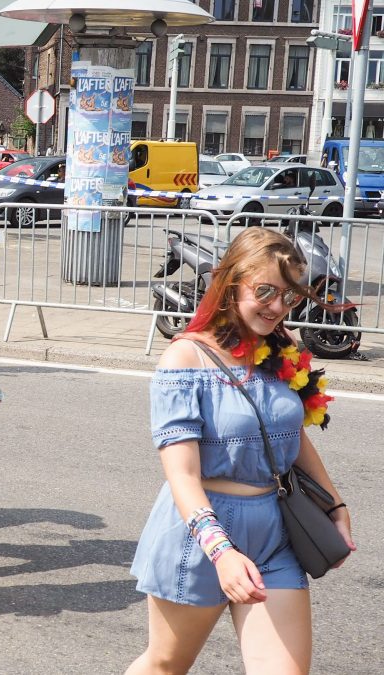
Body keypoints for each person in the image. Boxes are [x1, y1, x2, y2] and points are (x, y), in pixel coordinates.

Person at [125, 227, 355, 674]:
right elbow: (182, 476)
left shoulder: (279, 349)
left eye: (289, 298)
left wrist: (336, 504)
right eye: (265, 292)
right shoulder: (185, 360)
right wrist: (221, 552)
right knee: (167, 663)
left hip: (276, 529)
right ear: (231, 283)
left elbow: (292, 434)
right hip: (202, 534)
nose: (277, 308)